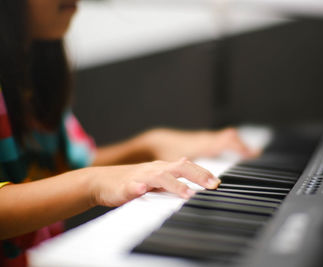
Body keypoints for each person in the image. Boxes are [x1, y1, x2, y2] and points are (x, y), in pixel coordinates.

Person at [0, 0, 256, 266]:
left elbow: (57, 171)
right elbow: (78, 179)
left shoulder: (35, 61)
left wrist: (148, 146)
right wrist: (91, 183)